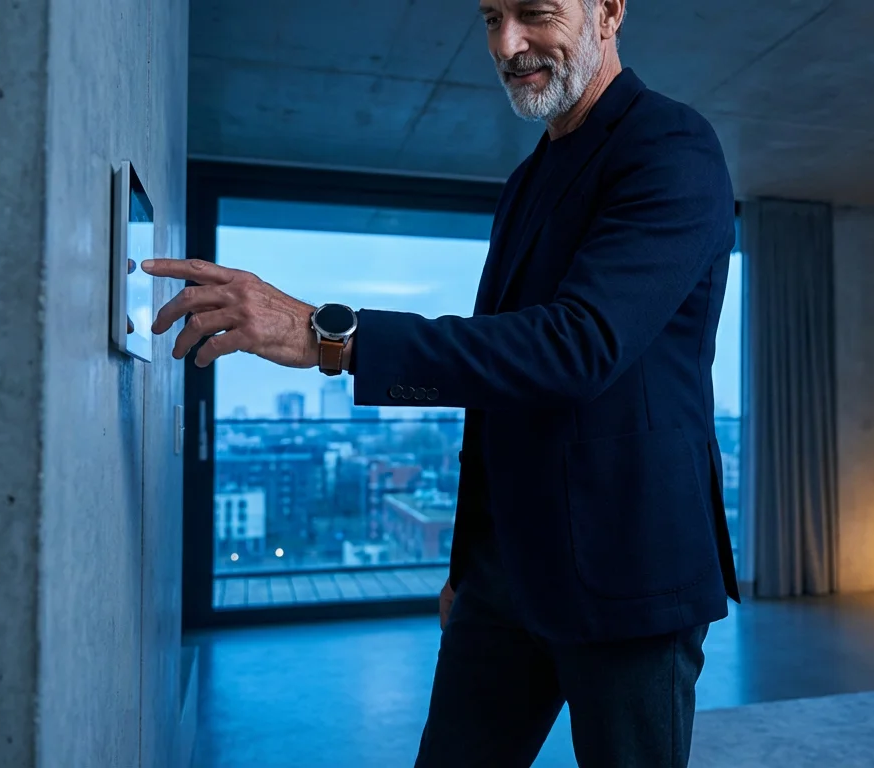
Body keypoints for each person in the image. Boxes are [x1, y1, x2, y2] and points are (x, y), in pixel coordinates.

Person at [144, 0, 739, 763]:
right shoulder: (527, 180)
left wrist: (330, 337)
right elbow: (498, 399)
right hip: (502, 575)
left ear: (610, 11)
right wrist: (467, 564)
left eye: (535, 13)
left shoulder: (672, 144)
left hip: (629, 568)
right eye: (491, 17)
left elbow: (578, 346)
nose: (508, 44)